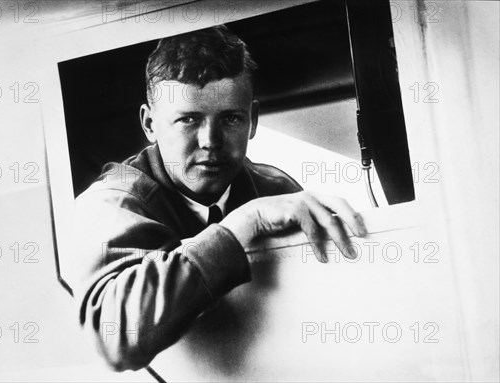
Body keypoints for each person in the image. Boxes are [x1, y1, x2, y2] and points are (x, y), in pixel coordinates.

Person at [72, 25, 367, 372]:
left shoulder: (277, 190)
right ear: (150, 124)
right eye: (187, 120)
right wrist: (244, 224)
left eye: (230, 118)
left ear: (253, 120)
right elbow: (116, 338)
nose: (210, 141)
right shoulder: (113, 200)